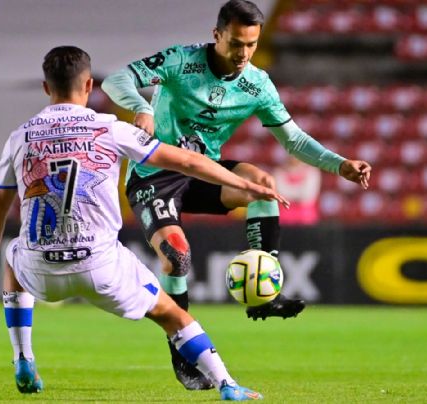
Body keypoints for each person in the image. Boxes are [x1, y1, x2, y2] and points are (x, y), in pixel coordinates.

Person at [0, 45, 290, 401]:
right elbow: (187, 163)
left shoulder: (19, 137)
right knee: (172, 315)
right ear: (88, 86)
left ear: (45, 87)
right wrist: (243, 183)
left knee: (12, 254)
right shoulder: (109, 129)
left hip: (42, 271)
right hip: (101, 267)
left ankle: (23, 358)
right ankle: (227, 385)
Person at [101, 0, 371, 390]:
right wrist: (139, 106)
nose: (243, 54)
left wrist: (339, 163)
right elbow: (117, 80)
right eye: (235, 44)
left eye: (251, 45)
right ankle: (183, 352)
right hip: (154, 175)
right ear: (216, 35)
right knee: (177, 257)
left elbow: (292, 140)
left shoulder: (256, 84)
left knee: (262, 185)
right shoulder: (181, 61)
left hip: (202, 173)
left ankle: (264, 291)